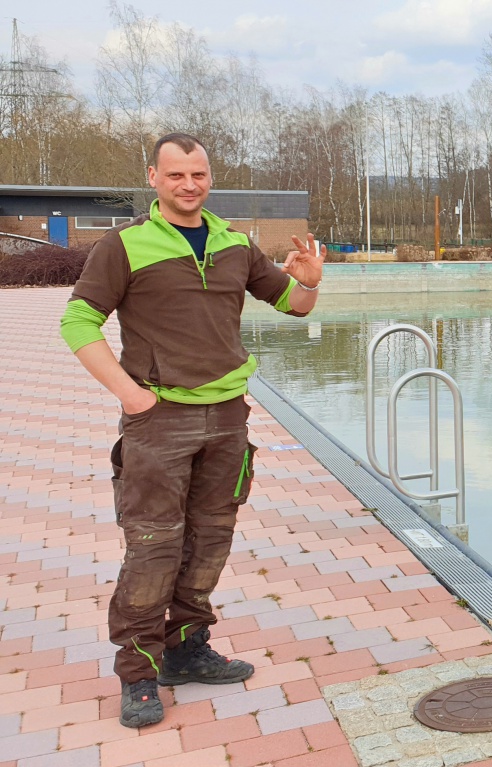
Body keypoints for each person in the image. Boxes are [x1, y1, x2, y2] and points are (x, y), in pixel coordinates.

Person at [59, 132, 325, 728]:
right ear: (154, 177)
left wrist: (308, 280)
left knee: (210, 540)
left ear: (210, 178)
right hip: (159, 424)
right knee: (154, 547)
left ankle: (186, 649)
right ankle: (138, 673)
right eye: (176, 175)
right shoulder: (125, 246)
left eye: (198, 174)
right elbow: (78, 322)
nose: (189, 185)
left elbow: (293, 305)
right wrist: (129, 393)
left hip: (229, 417)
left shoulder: (235, 243)